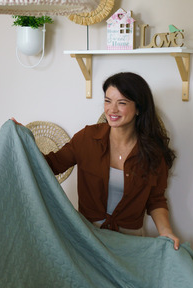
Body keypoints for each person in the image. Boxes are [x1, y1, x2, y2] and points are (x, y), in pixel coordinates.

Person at [29, 72, 180, 250]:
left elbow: (156, 200)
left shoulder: (153, 152)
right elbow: (52, 164)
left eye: (121, 103)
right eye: (108, 101)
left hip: (130, 242)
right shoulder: (87, 138)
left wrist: (166, 231)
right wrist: (21, 139)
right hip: (88, 237)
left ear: (139, 108)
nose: (112, 109)